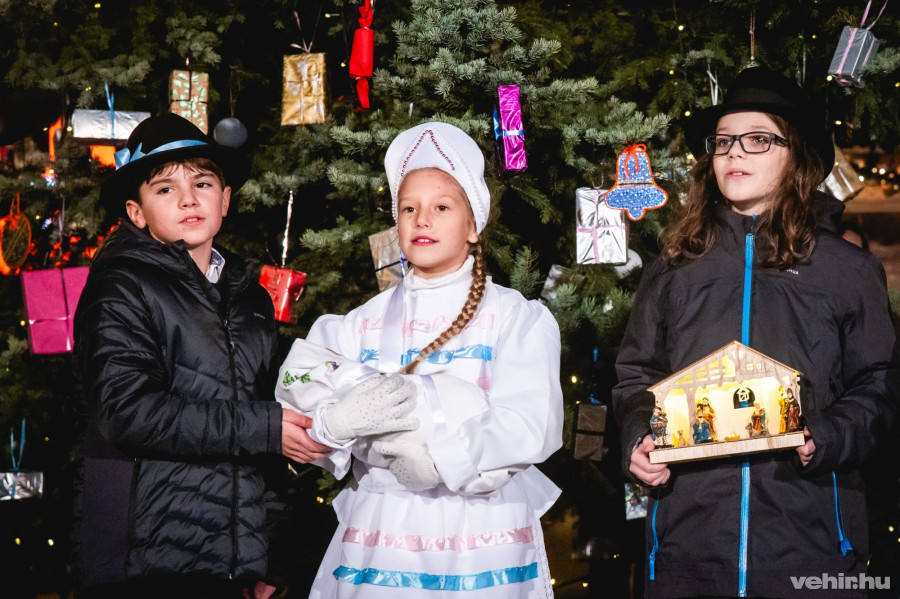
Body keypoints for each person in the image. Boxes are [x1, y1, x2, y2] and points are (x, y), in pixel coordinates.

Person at [612, 67, 899, 598]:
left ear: (797, 156)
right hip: (688, 552)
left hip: (811, 549)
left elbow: (879, 386)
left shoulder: (847, 270)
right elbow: (636, 374)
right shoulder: (675, 266)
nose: (734, 153)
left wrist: (826, 435)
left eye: (758, 139)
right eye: (723, 141)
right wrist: (637, 437)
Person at [276, 121, 563, 598]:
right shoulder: (358, 325)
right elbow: (303, 403)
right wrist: (336, 422)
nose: (421, 220)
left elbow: (529, 423)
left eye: (441, 207)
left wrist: (442, 460)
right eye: (408, 208)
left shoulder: (515, 318)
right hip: (381, 534)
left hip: (480, 535)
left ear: (473, 226)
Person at [70, 113, 331, 599]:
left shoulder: (250, 300)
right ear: (136, 213)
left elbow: (263, 422)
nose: (188, 199)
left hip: (230, 567)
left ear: (225, 199)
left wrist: (270, 552)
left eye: (202, 183)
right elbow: (127, 412)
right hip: (146, 562)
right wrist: (265, 427)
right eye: (165, 188)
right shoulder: (121, 286)